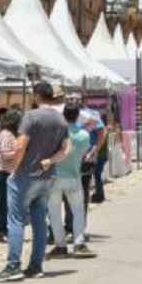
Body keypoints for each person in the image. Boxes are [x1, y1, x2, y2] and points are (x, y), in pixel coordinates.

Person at [0, 82, 70, 283]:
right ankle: (36, 265)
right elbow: (65, 150)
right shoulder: (61, 120)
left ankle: (13, 266)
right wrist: (50, 161)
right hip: (47, 176)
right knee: (39, 222)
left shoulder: (31, 116)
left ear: (36, 96)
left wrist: (14, 170)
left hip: (26, 175)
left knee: (16, 221)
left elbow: (20, 146)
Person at [47, 104, 96, 259]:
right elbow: (83, 154)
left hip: (54, 176)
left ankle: (60, 245)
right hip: (74, 176)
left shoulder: (55, 133)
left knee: (54, 212)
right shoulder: (84, 135)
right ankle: (79, 242)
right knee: (78, 211)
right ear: (77, 116)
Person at [0, 109, 21, 243]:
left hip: (8, 172)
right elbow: (4, 153)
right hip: (3, 172)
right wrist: (19, 152)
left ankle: (4, 229)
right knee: (4, 203)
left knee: (7, 203)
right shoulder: (6, 134)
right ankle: (1, 230)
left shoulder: (10, 134)